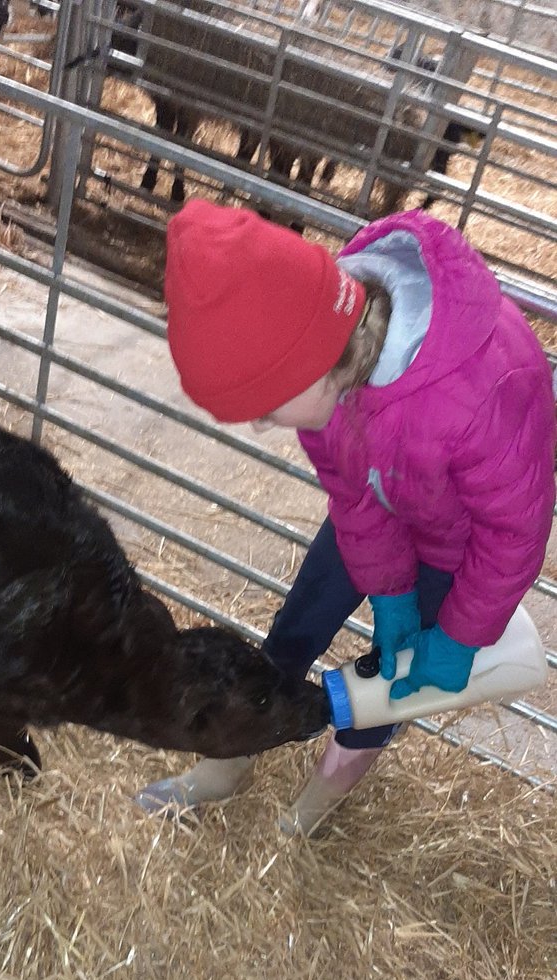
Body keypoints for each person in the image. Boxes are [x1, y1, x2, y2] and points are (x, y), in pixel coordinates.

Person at [135, 199, 556, 835]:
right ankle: (229, 762)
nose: (264, 424)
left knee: (395, 683)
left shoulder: (485, 389)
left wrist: (463, 635)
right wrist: (389, 597)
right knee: (297, 626)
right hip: (382, 504)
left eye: (267, 407)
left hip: (462, 548)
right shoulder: (325, 378)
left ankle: (303, 819)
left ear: (311, 364)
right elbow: (352, 494)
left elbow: (516, 531)